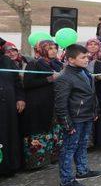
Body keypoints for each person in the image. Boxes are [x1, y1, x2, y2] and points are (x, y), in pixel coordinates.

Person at [54, 44, 101, 186]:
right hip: (74, 118)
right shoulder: (64, 77)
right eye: (83, 57)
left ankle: (82, 171)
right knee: (69, 149)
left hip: (86, 115)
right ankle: (66, 181)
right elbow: (60, 104)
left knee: (82, 145)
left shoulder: (84, 72)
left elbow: (90, 94)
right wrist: (67, 123)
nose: (87, 59)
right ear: (71, 59)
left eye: (87, 56)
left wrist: (94, 111)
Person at [20, 41, 64, 170]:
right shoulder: (34, 64)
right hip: (38, 104)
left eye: (55, 48)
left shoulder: (57, 64)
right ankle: (37, 162)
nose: (53, 51)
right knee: (38, 132)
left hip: (54, 103)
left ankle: (53, 157)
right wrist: (50, 79)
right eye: (49, 48)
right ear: (41, 50)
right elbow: (28, 83)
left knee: (54, 130)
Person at [0, 38, 25, 177]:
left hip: (8, 107)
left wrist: (20, 98)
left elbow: (17, 82)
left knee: (7, 136)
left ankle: (8, 167)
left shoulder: (7, 61)